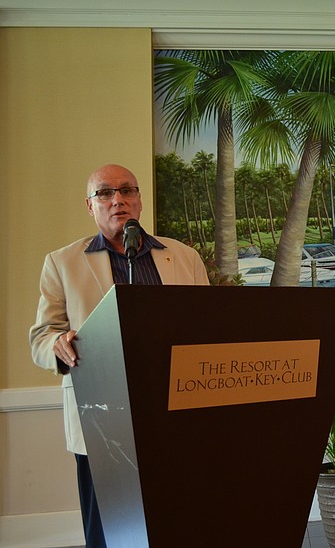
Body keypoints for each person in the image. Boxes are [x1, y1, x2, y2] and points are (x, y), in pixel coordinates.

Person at [29, 163, 209, 547]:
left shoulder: (184, 257)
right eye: (105, 193)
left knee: (181, 519)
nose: (118, 200)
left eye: (127, 190)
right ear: (89, 206)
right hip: (101, 420)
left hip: (175, 410)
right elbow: (42, 337)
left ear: (139, 200)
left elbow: (207, 326)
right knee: (108, 530)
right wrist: (58, 346)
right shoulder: (62, 263)